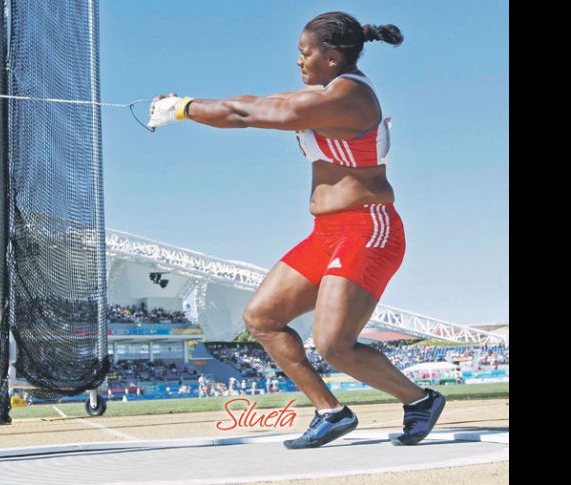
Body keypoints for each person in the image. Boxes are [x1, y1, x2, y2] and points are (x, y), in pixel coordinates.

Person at [149, 11, 445, 449]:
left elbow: (248, 114)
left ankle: (419, 400)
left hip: (368, 227)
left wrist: (183, 109)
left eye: (304, 53)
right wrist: (190, 106)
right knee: (262, 319)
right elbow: (252, 102)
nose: (298, 61)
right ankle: (332, 411)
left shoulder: (347, 98)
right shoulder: (323, 91)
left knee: (333, 344)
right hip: (326, 232)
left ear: (331, 56)